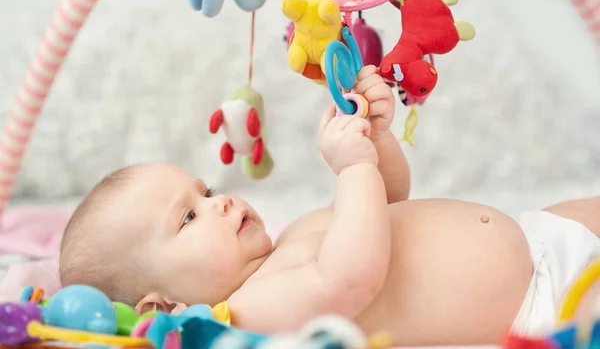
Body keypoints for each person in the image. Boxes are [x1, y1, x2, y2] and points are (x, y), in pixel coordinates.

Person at [59, 66, 600, 346]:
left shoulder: (290, 240)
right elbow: (353, 278)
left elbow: (387, 205)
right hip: (545, 304)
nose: (219, 200)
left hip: (540, 235)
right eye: (189, 217)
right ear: (163, 306)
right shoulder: (252, 312)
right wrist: (352, 168)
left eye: (203, 191)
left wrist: (376, 141)